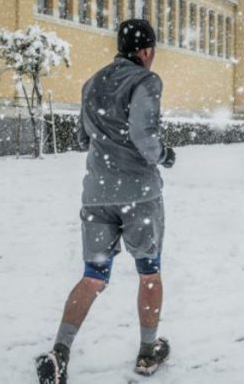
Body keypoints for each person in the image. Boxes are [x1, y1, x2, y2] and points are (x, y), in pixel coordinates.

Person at [36, 19, 176, 384]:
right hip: (138, 196)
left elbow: (83, 137)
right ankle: (147, 352)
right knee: (149, 272)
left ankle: (60, 351)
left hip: (97, 195)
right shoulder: (146, 80)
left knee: (93, 276)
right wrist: (164, 155)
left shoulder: (92, 82)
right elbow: (144, 136)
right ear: (146, 51)